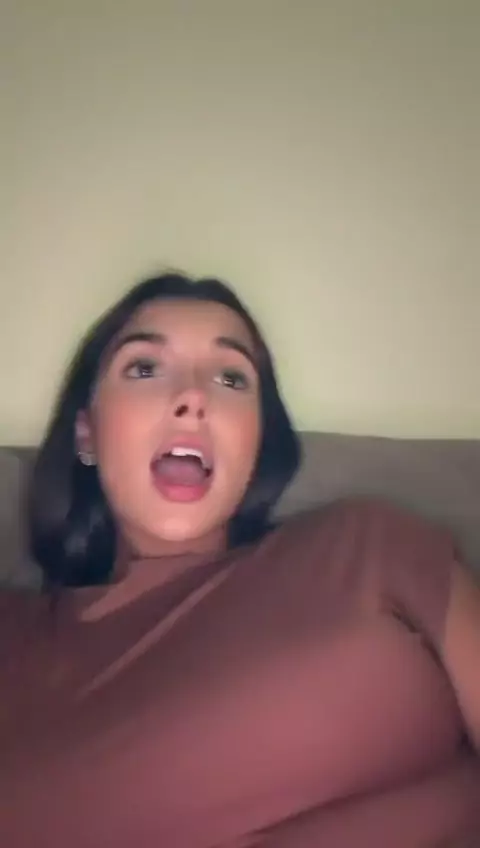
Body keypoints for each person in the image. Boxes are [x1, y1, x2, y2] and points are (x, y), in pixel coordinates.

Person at [1, 272, 479, 847]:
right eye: (145, 368)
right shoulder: (14, 638)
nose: (193, 397)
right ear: (86, 434)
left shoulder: (369, 546)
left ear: (257, 441)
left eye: (231, 377)